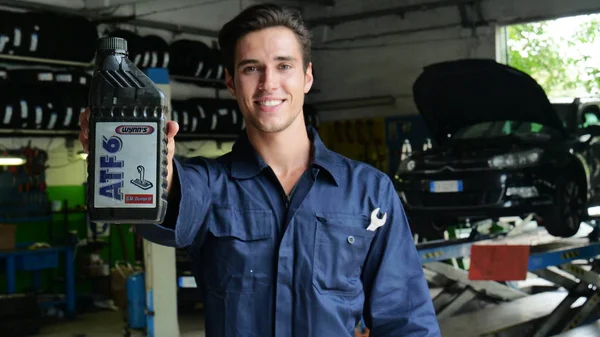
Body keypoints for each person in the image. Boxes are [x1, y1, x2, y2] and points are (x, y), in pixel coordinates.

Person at [79, 3, 440, 336]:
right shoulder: (211, 184)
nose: (269, 83)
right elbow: (172, 200)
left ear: (307, 77)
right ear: (231, 82)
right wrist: (145, 161)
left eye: (284, 65)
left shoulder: (368, 192)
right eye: (252, 68)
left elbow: (406, 319)